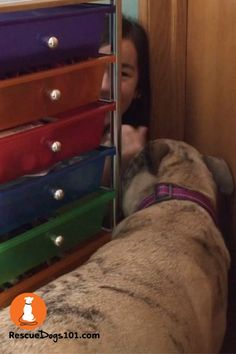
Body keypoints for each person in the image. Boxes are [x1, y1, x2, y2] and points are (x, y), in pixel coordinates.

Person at [100, 16, 151, 172]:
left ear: (138, 89)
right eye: (93, 69)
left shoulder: (141, 151)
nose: (104, 86)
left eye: (122, 73)